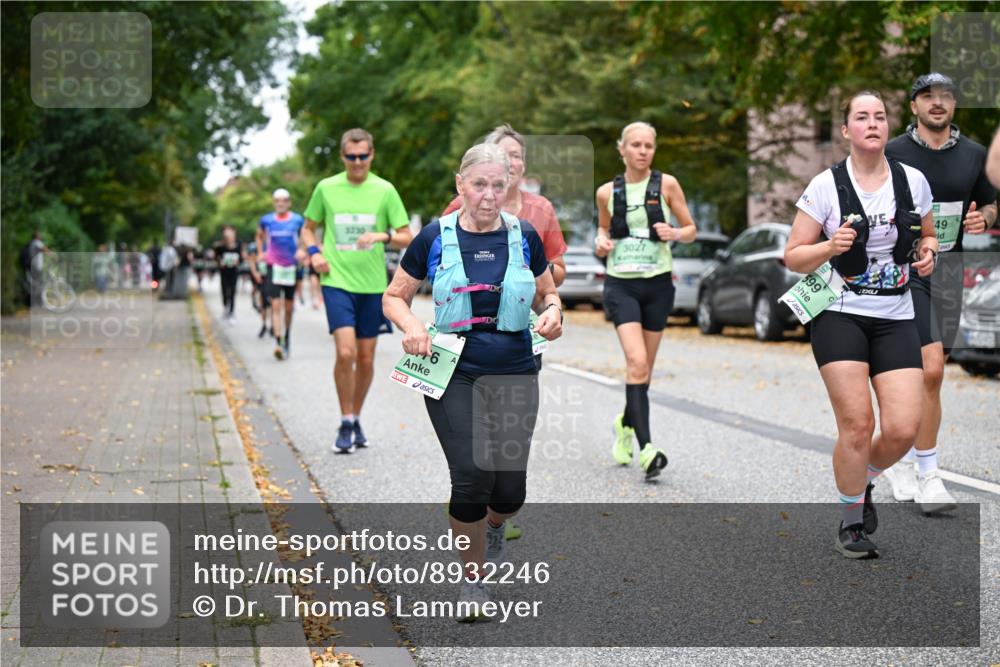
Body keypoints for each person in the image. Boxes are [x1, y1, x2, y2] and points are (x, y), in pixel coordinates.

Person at [383, 143, 563, 618]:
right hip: (454, 370)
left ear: (509, 186)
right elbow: (394, 296)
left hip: (515, 368)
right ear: (460, 185)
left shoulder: (524, 235)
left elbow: (547, 292)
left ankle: (496, 525)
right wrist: (413, 325)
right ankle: (473, 582)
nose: (489, 194)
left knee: (509, 491)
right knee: (471, 474)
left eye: (498, 185)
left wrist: (553, 312)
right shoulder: (433, 237)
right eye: (479, 184)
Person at [784, 91, 938, 559]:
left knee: (903, 429)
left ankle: (862, 478)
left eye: (880, 116)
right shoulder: (825, 186)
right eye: (862, 117)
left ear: (888, 127)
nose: (872, 123)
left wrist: (928, 252)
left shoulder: (912, 181)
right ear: (846, 130)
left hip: (896, 314)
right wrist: (829, 247)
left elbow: (929, 235)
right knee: (857, 424)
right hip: (840, 313)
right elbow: (793, 256)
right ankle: (852, 522)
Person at [881, 73, 998, 513]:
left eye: (946, 96)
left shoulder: (974, 155)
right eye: (928, 96)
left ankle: (903, 459)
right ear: (913, 106)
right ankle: (928, 474)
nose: (937, 102)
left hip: (949, 272)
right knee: (928, 369)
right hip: (904, 269)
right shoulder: (893, 152)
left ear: (954, 106)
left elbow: (991, 202)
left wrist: (985, 218)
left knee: (931, 373)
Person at [594, 121, 697, 480]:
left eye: (648, 146)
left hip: (658, 285)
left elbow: (690, 228)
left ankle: (624, 423)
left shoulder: (667, 184)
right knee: (636, 362)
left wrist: (676, 233)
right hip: (621, 285)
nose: (642, 151)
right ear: (621, 149)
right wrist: (601, 241)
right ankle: (648, 449)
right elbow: (603, 228)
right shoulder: (606, 192)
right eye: (635, 145)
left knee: (643, 372)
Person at [302, 128, 413, 452]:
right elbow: (308, 229)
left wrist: (381, 236)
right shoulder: (326, 188)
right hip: (336, 281)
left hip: (372, 285)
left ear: (372, 154)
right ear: (342, 156)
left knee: (365, 358)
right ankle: (346, 419)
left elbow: (406, 235)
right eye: (351, 157)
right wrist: (315, 253)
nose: (357, 162)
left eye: (363, 156)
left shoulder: (384, 190)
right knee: (346, 352)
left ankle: (356, 416)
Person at [257, 188, 305, 360]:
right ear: (274, 203)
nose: (281, 204)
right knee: (275, 305)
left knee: (288, 307)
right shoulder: (266, 220)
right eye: (277, 201)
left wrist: (302, 250)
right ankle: (279, 342)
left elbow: (305, 236)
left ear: (289, 203)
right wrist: (261, 252)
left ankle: (287, 337)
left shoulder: (298, 220)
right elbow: (259, 236)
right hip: (273, 266)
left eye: (284, 200)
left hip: (292, 266)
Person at [214, 225, 245, 321]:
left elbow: (242, 258)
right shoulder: (220, 246)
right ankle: (225, 307)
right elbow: (216, 258)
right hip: (224, 272)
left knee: (232, 291)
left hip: (234, 272)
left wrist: (238, 261)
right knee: (224, 290)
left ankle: (231, 311)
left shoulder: (239, 245)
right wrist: (220, 262)